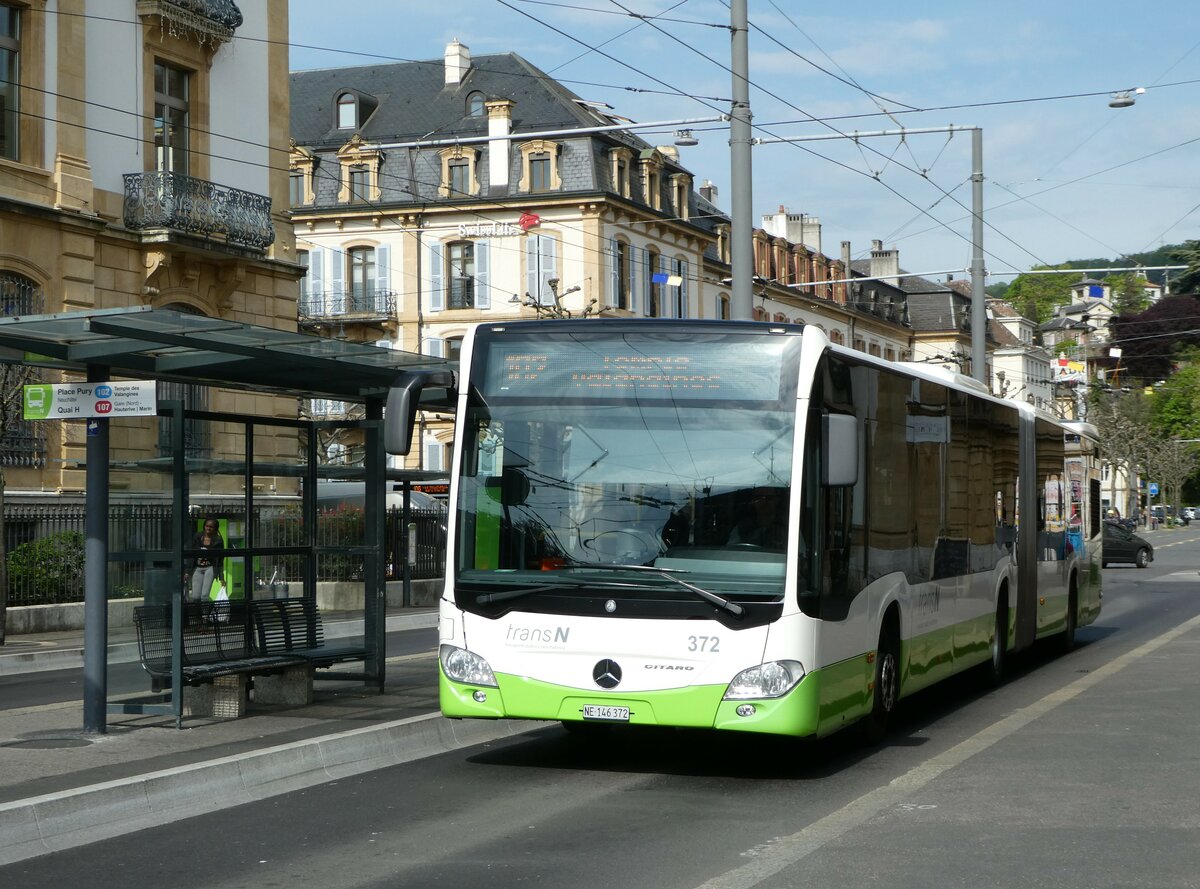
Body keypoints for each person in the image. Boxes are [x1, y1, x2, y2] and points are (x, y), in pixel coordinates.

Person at [185, 518, 225, 603]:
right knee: (195, 596)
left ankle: (205, 615)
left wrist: (221, 577)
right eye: (207, 526)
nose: (208, 528)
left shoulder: (218, 541)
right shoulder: (198, 536)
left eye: (211, 527)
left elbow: (220, 559)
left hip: (210, 568)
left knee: (204, 596)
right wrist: (187, 571)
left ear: (215, 528)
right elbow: (191, 555)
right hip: (197, 567)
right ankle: (197, 614)